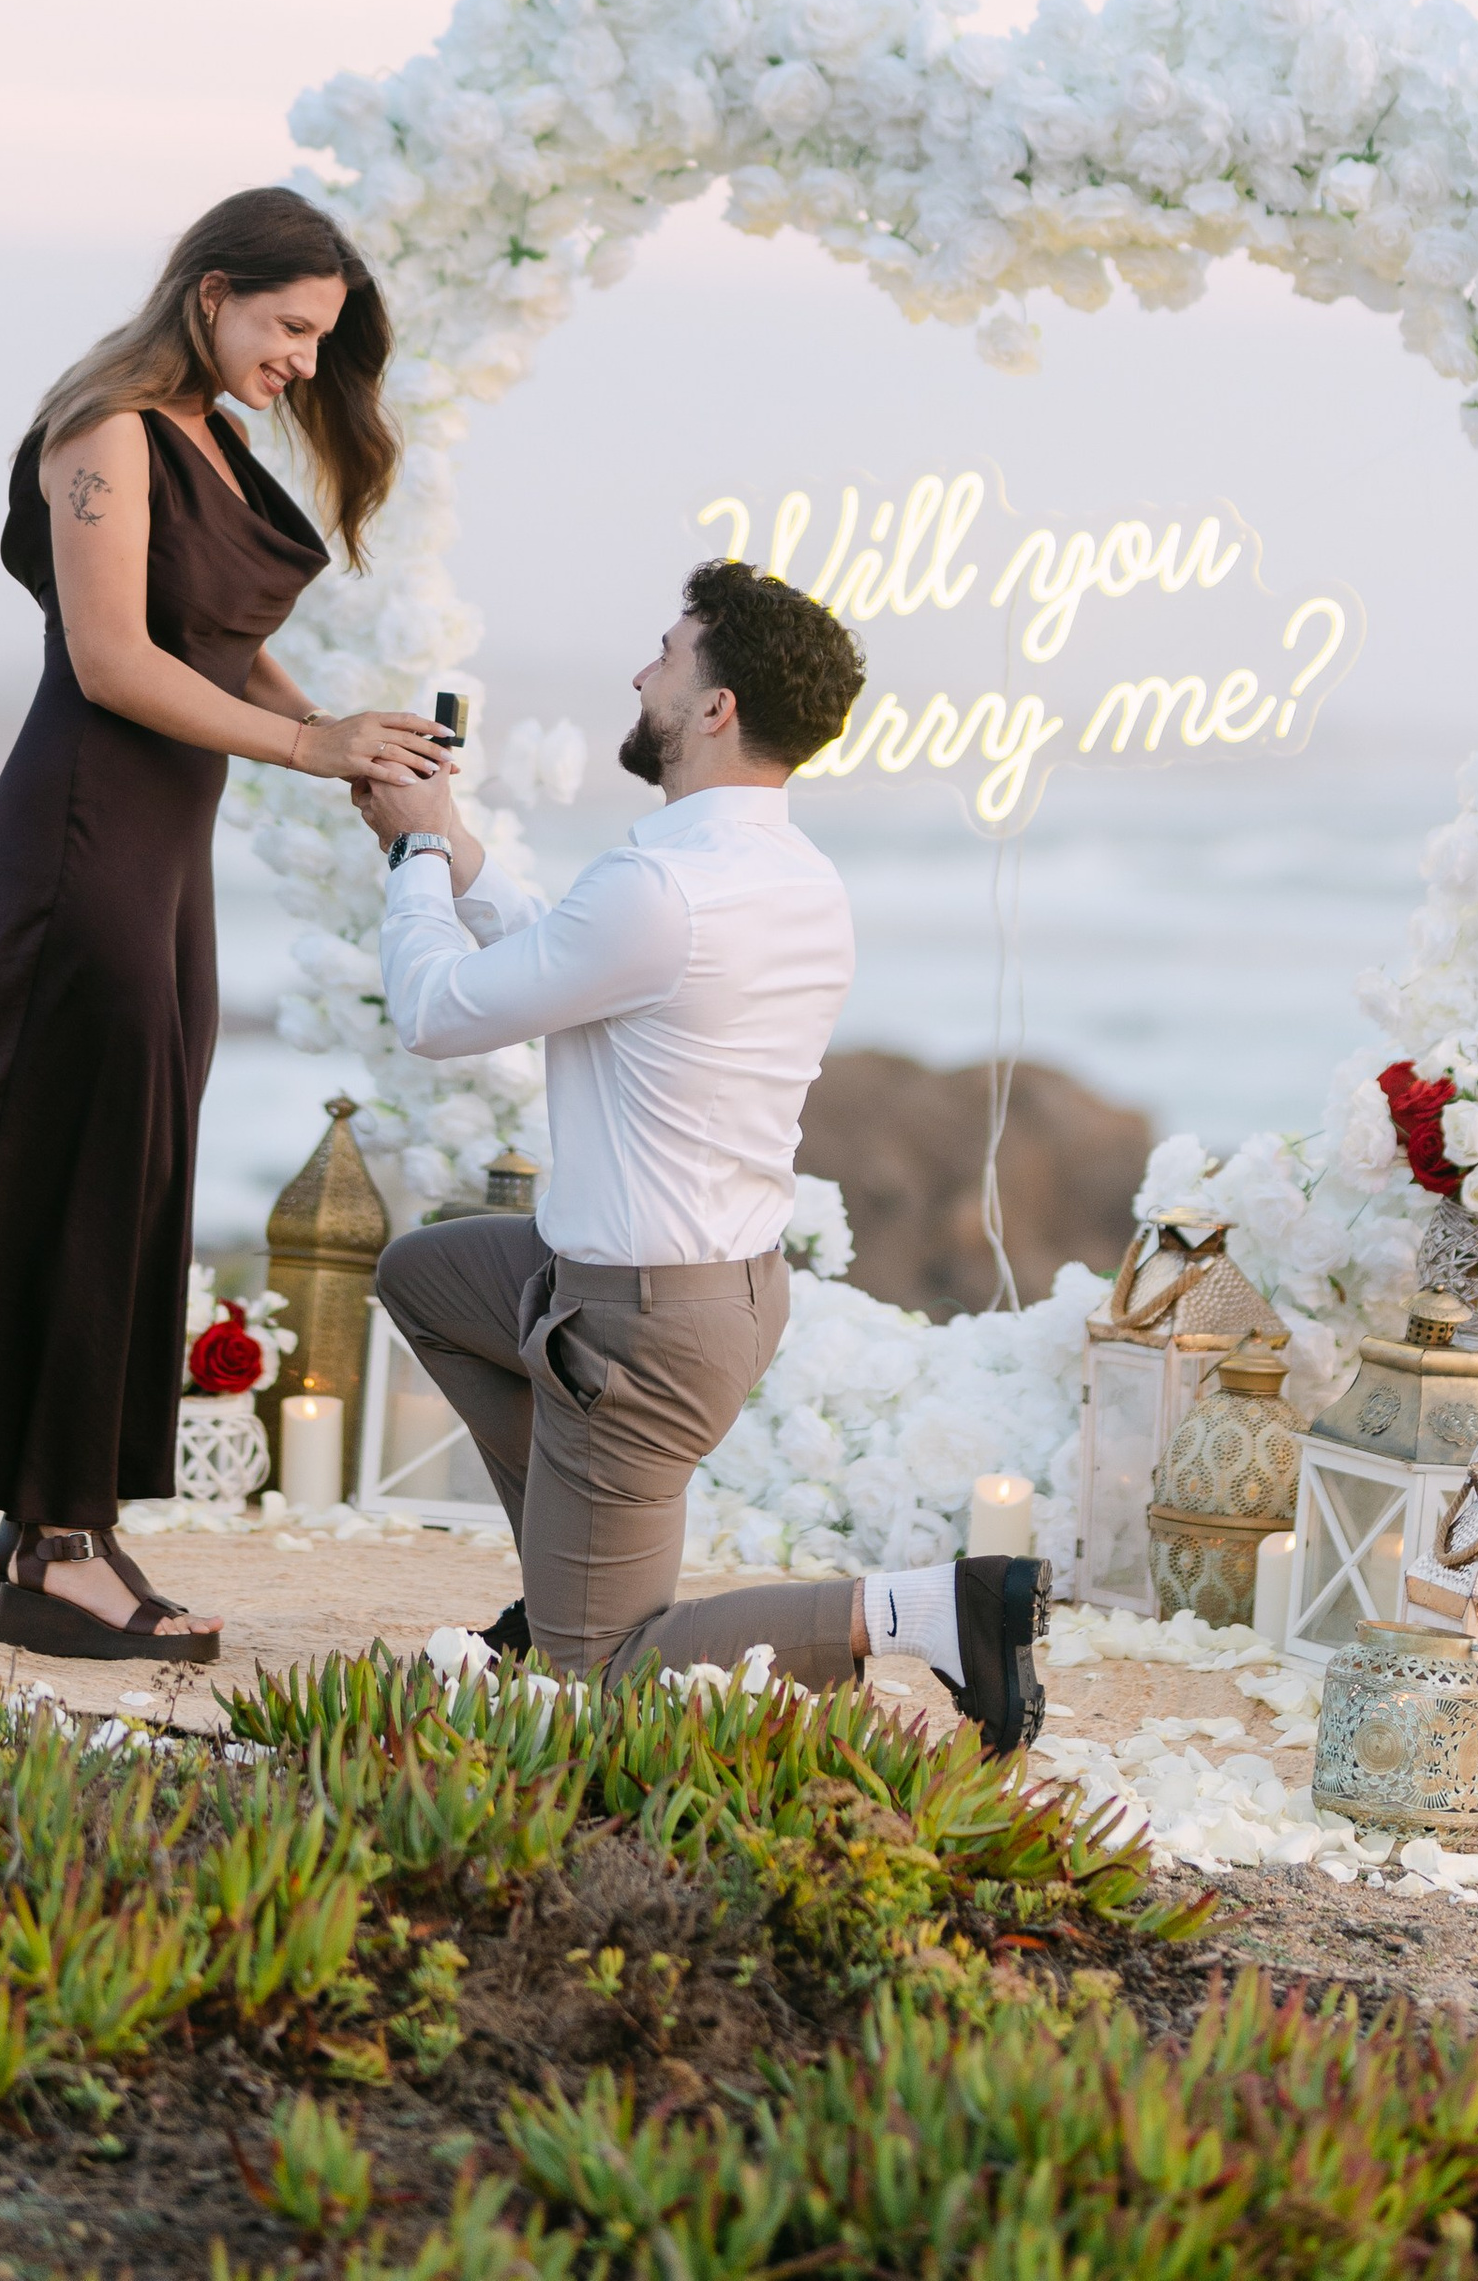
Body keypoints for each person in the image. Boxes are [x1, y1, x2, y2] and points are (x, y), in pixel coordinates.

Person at [361, 558, 1052, 1755]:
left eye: (668, 655)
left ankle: (935, 1609)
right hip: (716, 1291)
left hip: (639, 1332)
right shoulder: (789, 879)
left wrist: (415, 858)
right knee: (426, 1275)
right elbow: (569, 956)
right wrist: (458, 846)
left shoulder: (662, 887)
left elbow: (435, 1014)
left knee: (600, 1678)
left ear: (716, 708)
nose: (643, 672)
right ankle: (564, 1572)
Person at [0, 187, 451, 1662]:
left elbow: (219, 640)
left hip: (162, 851)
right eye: (289, 328)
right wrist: (306, 753)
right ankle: (55, 1545)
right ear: (210, 291)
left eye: (324, 342)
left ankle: (60, 1534)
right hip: (82, 835)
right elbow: (114, 661)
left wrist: (337, 729)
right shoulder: (106, 430)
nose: (304, 364)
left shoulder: (209, 433)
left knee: (136, 1168)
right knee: (79, 1164)